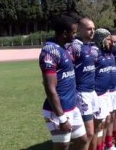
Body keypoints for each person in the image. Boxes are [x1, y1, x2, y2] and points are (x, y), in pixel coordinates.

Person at [39, 15, 87, 150]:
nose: (76, 35)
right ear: (65, 33)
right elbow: (49, 88)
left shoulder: (65, 47)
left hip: (72, 106)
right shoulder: (50, 51)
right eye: (74, 32)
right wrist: (61, 118)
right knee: (62, 145)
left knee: (82, 140)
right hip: (58, 111)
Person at [67, 17, 98, 150]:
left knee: (93, 131)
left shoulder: (91, 46)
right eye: (89, 29)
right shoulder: (74, 47)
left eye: (94, 29)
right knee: (88, 132)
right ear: (79, 29)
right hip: (81, 93)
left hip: (92, 92)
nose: (92, 31)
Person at [92, 28, 116, 150]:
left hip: (108, 92)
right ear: (101, 39)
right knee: (98, 125)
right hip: (98, 94)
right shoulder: (94, 53)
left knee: (107, 121)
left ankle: (105, 146)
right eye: (108, 39)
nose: (111, 42)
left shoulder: (107, 53)